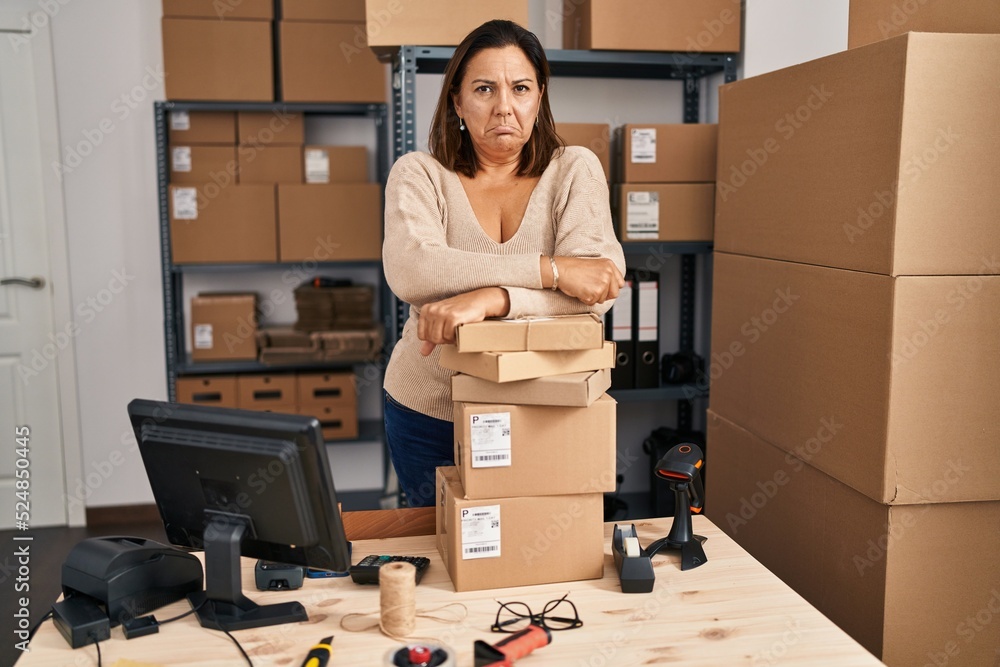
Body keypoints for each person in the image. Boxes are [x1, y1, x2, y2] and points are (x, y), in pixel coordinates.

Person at [381, 19, 626, 507]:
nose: (503, 107)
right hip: (429, 406)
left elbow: (593, 298)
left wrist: (490, 299)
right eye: (484, 89)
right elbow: (413, 271)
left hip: (541, 406)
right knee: (440, 550)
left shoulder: (574, 170)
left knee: (531, 553)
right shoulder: (420, 175)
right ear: (457, 101)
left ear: (539, 97)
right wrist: (551, 271)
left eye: (520, 88)